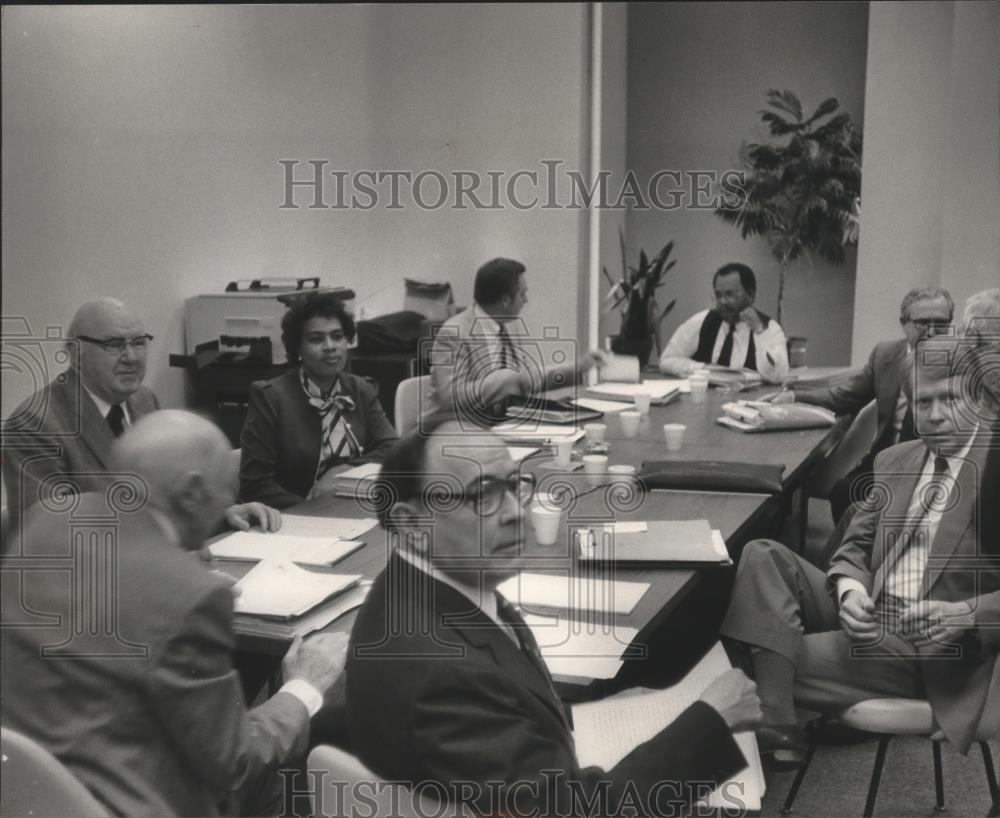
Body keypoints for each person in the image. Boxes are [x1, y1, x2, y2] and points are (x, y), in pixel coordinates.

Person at [346, 416, 761, 816]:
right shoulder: (437, 673)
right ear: (411, 522)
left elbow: (502, 704)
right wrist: (711, 725)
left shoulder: (429, 587)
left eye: (513, 485)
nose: (514, 512)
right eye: (483, 495)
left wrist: (607, 716)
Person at [1, 410, 346, 817]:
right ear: (191, 492)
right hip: (136, 803)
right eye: (224, 490)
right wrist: (305, 688)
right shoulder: (193, 595)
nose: (226, 501)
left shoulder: (47, 520)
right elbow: (235, 763)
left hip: (24, 790)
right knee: (301, 770)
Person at [720, 337, 999, 770]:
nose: (937, 416)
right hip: (872, 614)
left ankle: (772, 721)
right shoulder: (896, 460)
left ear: (980, 399)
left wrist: (963, 613)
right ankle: (779, 723)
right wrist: (851, 592)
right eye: (924, 403)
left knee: (756, 651)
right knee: (762, 555)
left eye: (951, 399)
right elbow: (855, 544)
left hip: (933, 645)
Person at [2, 298, 278, 541]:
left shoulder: (144, 400)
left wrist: (219, 514)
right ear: (75, 353)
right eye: (114, 345)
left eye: (138, 342)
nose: (131, 357)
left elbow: (168, 500)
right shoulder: (35, 425)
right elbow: (49, 538)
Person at [774, 286, 954, 523]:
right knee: (843, 492)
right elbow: (845, 396)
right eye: (923, 322)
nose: (932, 330)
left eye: (940, 323)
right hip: (885, 462)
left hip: (935, 467)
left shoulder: (961, 365)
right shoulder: (886, 355)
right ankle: (854, 557)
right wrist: (795, 397)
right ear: (904, 323)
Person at [239, 293, 399, 509]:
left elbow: (390, 447)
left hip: (354, 507)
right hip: (293, 516)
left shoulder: (360, 388)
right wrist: (311, 509)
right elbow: (255, 485)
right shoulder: (271, 396)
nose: (330, 346)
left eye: (337, 336)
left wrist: (343, 471)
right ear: (298, 348)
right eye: (316, 339)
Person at [426, 258, 605, 419]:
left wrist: (578, 366)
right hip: (451, 430)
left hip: (494, 426)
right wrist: (504, 380)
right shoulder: (454, 333)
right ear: (505, 300)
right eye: (522, 294)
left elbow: (524, 379)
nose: (525, 300)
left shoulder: (500, 326)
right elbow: (450, 398)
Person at [658, 263, 789, 382]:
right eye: (718, 295)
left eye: (730, 295)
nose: (722, 302)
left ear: (750, 295)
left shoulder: (770, 328)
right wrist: (703, 369)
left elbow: (778, 376)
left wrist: (760, 332)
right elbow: (667, 359)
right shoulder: (702, 320)